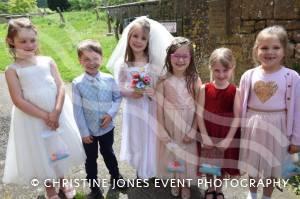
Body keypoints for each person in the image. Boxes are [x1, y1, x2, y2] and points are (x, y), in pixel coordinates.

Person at [2, 18, 85, 199]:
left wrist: (55, 112)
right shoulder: (12, 70)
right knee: (41, 150)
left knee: (57, 144)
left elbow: (61, 86)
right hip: (32, 118)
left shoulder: (47, 61)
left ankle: (63, 180)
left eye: (32, 40)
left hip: (56, 112)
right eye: (23, 41)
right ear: (10, 41)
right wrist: (45, 116)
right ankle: (49, 188)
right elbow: (18, 100)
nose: (29, 45)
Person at [106, 16, 174, 179]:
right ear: (128, 37)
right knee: (137, 138)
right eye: (135, 36)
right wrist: (131, 92)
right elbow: (119, 87)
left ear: (148, 42)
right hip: (133, 108)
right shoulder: (123, 64)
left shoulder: (152, 62)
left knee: (150, 136)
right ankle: (139, 167)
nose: (138, 41)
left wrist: (153, 91)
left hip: (149, 106)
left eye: (143, 38)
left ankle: (151, 168)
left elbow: (160, 83)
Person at [239, 25, 300, 199]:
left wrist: (296, 139)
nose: (269, 52)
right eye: (264, 48)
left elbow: (298, 111)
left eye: (275, 47)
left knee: (273, 167)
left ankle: (266, 196)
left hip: (279, 126)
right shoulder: (248, 76)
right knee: (253, 164)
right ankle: (251, 194)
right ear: (256, 50)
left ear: (284, 50)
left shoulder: (292, 77)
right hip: (253, 125)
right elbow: (241, 105)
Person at [72, 40, 123, 199]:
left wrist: (111, 114)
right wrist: (84, 132)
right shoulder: (77, 83)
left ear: (101, 58)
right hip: (89, 131)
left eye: (95, 58)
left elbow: (117, 97)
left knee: (109, 153)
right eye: (86, 59)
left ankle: (116, 178)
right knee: (90, 159)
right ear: (80, 61)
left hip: (107, 128)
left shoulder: (109, 79)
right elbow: (77, 110)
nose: (91, 63)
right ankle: (94, 187)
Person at [156, 37, 202, 199]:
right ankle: (175, 181)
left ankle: (185, 184)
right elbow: (159, 108)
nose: (181, 60)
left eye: (185, 56)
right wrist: (161, 130)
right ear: (169, 57)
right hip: (169, 124)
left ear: (191, 58)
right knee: (172, 154)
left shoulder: (194, 79)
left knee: (186, 155)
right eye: (176, 55)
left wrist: (193, 130)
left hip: (187, 122)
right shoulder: (163, 80)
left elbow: (199, 108)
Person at [197, 48, 240, 199]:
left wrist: (228, 139)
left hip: (225, 134)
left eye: (225, 70)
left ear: (232, 68)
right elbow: (199, 114)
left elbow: (237, 117)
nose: (221, 74)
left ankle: (219, 189)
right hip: (209, 132)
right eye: (217, 70)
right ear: (211, 68)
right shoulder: (204, 88)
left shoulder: (235, 91)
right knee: (209, 163)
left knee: (223, 164)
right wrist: (204, 137)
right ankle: (210, 188)